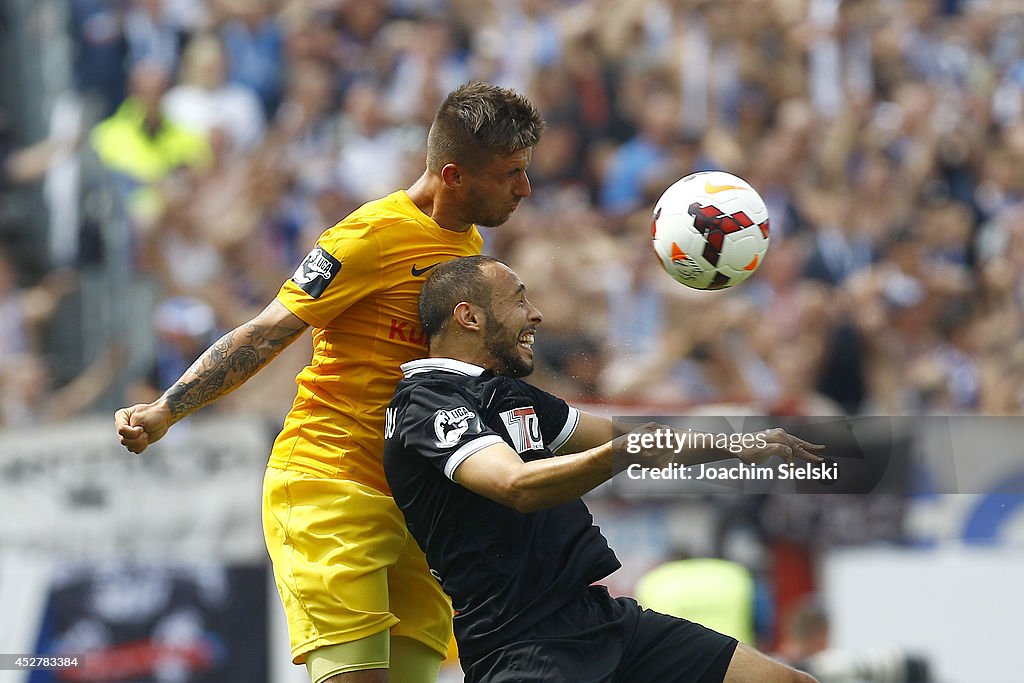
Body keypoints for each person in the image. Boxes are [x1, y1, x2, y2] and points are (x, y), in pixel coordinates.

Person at [114, 82, 545, 683]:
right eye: (512, 174)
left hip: (419, 505)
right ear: (453, 174)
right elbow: (268, 331)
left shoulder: (467, 244)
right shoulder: (366, 238)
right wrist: (166, 409)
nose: (525, 188)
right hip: (332, 486)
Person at [383, 255, 823, 683]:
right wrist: (620, 454)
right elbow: (515, 485)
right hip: (520, 644)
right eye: (518, 301)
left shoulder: (509, 393)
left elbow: (635, 439)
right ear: (469, 317)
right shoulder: (425, 402)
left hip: (599, 618)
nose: (534, 315)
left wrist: (732, 446)